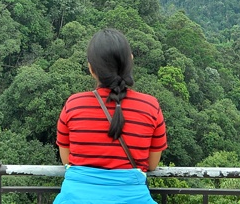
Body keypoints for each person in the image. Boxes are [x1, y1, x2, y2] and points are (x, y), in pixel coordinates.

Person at [55, 28, 167, 203]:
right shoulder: (150, 107)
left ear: (91, 69)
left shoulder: (73, 105)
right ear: (130, 61)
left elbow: (67, 160)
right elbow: (152, 165)